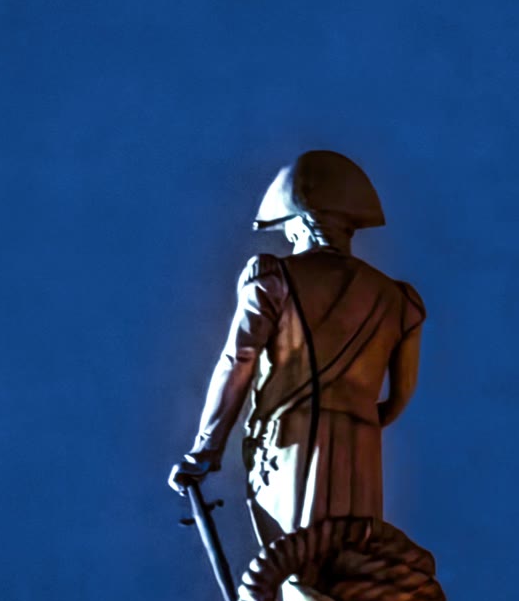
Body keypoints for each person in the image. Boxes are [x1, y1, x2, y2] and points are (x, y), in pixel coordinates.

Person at [169, 152, 424, 543]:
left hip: (288, 444)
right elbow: (399, 397)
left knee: (292, 567)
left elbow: (238, 359)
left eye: (288, 228)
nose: (288, 238)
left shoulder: (274, 278)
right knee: (351, 566)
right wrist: (361, 417)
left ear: (303, 222)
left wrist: (205, 451)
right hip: (361, 452)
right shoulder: (398, 299)